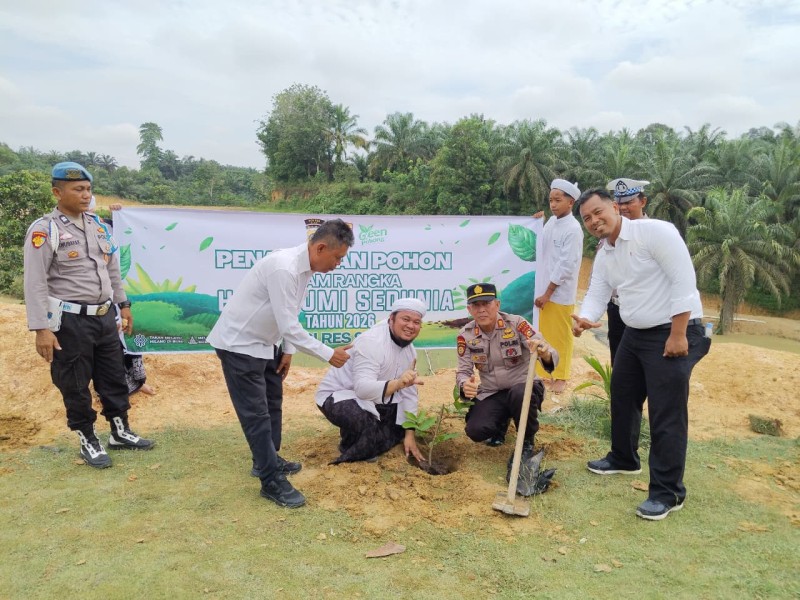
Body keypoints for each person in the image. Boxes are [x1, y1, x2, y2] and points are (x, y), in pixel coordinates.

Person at [571, 188, 710, 521]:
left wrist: (678, 334)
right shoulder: (605, 253)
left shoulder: (656, 233)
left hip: (674, 329)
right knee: (622, 394)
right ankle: (623, 458)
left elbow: (683, 282)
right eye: (587, 219)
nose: (593, 221)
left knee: (666, 412)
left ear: (614, 207)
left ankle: (668, 492)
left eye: (597, 212)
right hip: (635, 333)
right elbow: (598, 293)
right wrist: (586, 317)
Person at [207, 218, 355, 509]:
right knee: (257, 415)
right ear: (321, 247)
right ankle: (270, 480)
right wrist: (328, 354)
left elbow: (289, 315)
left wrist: (287, 350)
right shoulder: (284, 267)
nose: (338, 264)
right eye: (337, 258)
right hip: (240, 345)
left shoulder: (305, 269)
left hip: (265, 343)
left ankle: (267, 458)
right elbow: (289, 324)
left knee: (273, 401)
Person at [23, 162, 154, 469]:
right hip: (69, 321)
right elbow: (35, 281)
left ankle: (120, 432)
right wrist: (41, 328)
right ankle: (88, 439)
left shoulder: (97, 226)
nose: (85, 195)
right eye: (78, 189)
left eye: (88, 189)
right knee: (75, 382)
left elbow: (112, 270)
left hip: (104, 317)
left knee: (113, 377)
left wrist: (124, 305)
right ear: (58, 192)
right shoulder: (45, 230)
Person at [315, 298, 427, 464]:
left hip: (374, 397)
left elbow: (409, 392)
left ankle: (366, 438)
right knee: (366, 426)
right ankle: (351, 444)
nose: (411, 326)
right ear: (391, 319)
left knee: (399, 428)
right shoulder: (371, 342)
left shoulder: (410, 353)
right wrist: (397, 383)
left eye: (416, 322)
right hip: (338, 396)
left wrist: (409, 434)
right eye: (406, 319)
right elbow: (362, 389)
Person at [456, 283, 557, 459]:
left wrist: (544, 352)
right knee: (476, 430)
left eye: (486, 303)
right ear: (469, 309)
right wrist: (464, 385)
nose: (481, 310)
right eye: (476, 306)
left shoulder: (517, 324)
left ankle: (526, 441)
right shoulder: (466, 335)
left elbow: (546, 349)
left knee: (518, 393)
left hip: (524, 387)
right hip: (492, 392)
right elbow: (463, 371)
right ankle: (500, 424)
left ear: (497, 305)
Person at [533, 179, 584, 394]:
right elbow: (540, 246)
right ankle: (545, 373)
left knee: (561, 336)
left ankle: (561, 375)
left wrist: (548, 293)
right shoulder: (552, 223)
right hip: (543, 289)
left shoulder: (573, 229)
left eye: (558, 200)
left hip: (558, 293)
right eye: (550, 200)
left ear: (571, 202)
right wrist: (537, 223)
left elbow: (566, 265)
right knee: (543, 333)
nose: (553, 204)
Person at [603, 178, 650, 365]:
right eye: (619, 203)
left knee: (645, 366)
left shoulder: (655, 232)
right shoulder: (609, 235)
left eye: (629, 202)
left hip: (646, 310)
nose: (623, 208)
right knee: (619, 365)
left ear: (642, 202)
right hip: (616, 309)